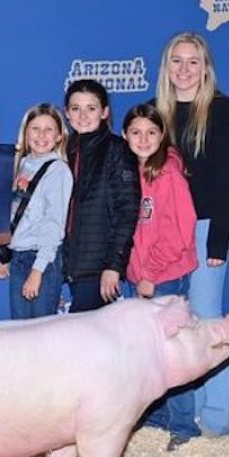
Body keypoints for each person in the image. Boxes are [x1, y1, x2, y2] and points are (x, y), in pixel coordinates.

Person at [152, 32, 229, 435]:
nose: (185, 69)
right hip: (167, 229)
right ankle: (183, 411)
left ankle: (222, 416)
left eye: (193, 61)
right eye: (177, 61)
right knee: (175, 320)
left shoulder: (221, 110)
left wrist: (220, 238)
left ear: (205, 67)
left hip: (206, 226)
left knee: (208, 319)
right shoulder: (158, 114)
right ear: (166, 67)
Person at [121, 104, 199, 450]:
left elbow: (180, 232)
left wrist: (150, 274)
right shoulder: (127, 172)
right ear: (125, 135)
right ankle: (158, 415)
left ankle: (184, 425)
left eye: (151, 133)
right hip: (136, 275)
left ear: (162, 136)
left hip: (164, 275)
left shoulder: (168, 173)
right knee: (144, 351)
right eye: (136, 132)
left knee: (173, 350)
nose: (143, 139)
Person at [61, 79, 139, 313]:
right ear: (67, 113)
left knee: (83, 342)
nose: (83, 115)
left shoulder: (118, 150)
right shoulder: (63, 151)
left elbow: (127, 212)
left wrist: (113, 266)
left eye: (91, 108)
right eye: (76, 108)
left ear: (104, 112)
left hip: (98, 268)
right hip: (67, 265)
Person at [0, 104, 73, 320]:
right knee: (21, 331)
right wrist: (6, 256)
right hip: (19, 256)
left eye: (49, 130)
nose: (41, 135)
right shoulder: (24, 164)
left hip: (41, 258)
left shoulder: (58, 171)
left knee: (40, 334)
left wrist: (38, 271)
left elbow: (53, 224)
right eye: (35, 129)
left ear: (59, 136)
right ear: (26, 132)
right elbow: (16, 216)